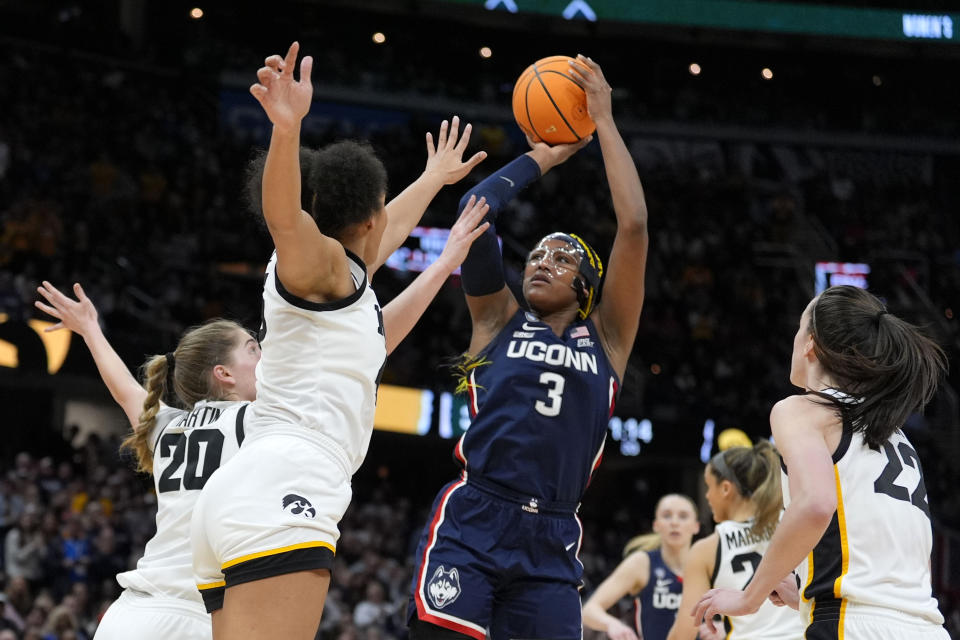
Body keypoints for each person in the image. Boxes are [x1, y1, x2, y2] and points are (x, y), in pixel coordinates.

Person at [190, 41, 491, 640]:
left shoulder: (350, 288)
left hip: (250, 487)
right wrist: (285, 131)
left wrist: (433, 186)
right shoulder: (318, 266)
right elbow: (284, 217)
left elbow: (381, 316)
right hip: (288, 484)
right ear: (370, 216)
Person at [407, 54, 648, 640]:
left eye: (561, 258)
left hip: (553, 538)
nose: (542, 261)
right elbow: (475, 213)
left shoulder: (609, 339)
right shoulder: (498, 317)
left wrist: (604, 123)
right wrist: (543, 155)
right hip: (476, 518)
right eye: (537, 254)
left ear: (587, 286)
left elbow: (634, 225)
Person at [693, 285, 949, 640]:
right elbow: (880, 576)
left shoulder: (803, 409)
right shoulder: (893, 434)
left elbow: (815, 504)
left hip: (850, 625)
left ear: (810, 342)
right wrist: (804, 594)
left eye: (798, 329)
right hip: (927, 628)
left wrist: (749, 597)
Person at [35, 281, 260, 639]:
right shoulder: (258, 422)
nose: (264, 359)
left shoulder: (169, 426)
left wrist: (90, 328)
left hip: (129, 615)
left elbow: (125, 389)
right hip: (193, 617)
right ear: (225, 373)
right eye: (253, 350)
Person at [666, 442, 803, 640]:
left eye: (708, 486)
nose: (707, 495)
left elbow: (684, 633)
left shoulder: (707, 549)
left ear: (725, 489)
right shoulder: (799, 525)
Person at [582, 494, 700, 640]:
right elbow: (589, 610)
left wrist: (722, 626)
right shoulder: (641, 563)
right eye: (667, 515)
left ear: (696, 526)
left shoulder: (710, 563)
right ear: (656, 525)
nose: (674, 522)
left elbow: (735, 609)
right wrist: (613, 624)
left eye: (683, 516)